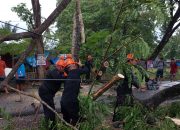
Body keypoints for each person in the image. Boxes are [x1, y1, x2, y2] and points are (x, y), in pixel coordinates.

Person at [112, 53, 149, 123]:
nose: (136, 62)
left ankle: (125, 119)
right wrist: (140, 86)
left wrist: (139, 85)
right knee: (121, 104)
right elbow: (131, 79)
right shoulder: (126, 67)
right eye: (135, 60)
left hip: (126, 88)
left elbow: (132, 78)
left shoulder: (127, 67)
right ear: (130, 60)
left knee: (128, 103)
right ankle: (117, 121)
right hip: (123, 88)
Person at [38, 58, 66, 130]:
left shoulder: (58, 72)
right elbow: (59, 79)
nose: (64, 70)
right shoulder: (54, 72)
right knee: (50, 110)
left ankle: (51, 124)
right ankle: (51, 126)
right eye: (64, 68)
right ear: (59, 67)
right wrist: (66, 76)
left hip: (47, 93)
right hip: (45, 92)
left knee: (49, 109)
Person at [61, 58, 88, 126]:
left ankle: (66, 126)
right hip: (71, 100)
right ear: (72, 66)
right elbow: (87, 70)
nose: (76, 65)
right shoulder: (75, 71)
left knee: (66, 119)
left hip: (63, 100)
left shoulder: (69, 75)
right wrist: (81, 65)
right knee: (75, 118)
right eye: (75, 64)